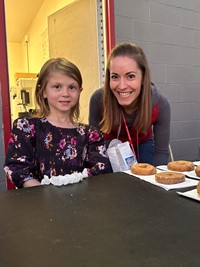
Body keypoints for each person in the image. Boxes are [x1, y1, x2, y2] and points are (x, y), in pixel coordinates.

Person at [4, 58, 112, 188]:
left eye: (72, 87)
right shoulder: (26, 128)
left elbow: (101, 170)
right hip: (39, 203)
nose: (65, 93)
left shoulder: (91, 135)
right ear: (43, 91)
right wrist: (45, 197)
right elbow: (17, 167)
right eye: (57, 87)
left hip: (81, 203)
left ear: (79, 91)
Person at [89, 42, 171, 166]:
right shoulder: (98, 99)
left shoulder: (160, 104)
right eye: (115, 77)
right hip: (110, 145)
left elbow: (161, 153)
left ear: (143, 77)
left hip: (143, 144)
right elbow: (93, 146)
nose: (122, 86)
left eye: (130, 76)